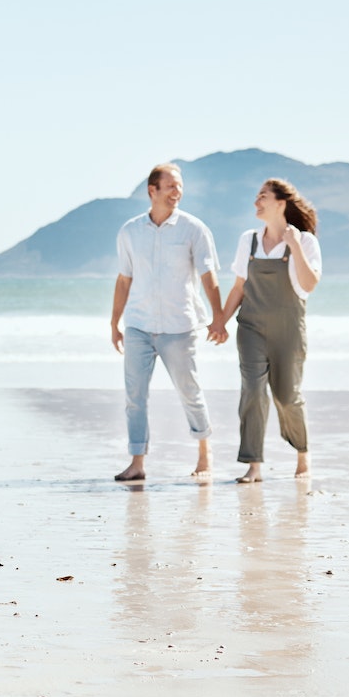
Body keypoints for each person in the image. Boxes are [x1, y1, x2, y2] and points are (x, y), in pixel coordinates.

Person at [110, 163, 226, 483]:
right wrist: (114, 323)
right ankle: (137, 462)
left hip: (179, 327)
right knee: (135, 396)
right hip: (138, 325)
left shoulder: (194, 229)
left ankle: (204, 452)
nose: (178, 192)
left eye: (180, 186)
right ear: (153, 190)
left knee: (189, 391)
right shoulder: (130, 231)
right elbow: (124, 279)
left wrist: (218, 317)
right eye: (171, 186)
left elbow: (208, 276)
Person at [210, 178, 323, 482]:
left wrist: (294, 245)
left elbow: (310, 284)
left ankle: (302, 453)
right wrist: (220, 321)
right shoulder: (248, 240)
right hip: (251, 329)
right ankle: (253, 465)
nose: (256, 202)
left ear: (280, 203)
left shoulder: (306, 242)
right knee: (252, 391)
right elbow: (239, 286)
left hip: (289, 331)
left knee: (287, 396)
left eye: (262, 197)